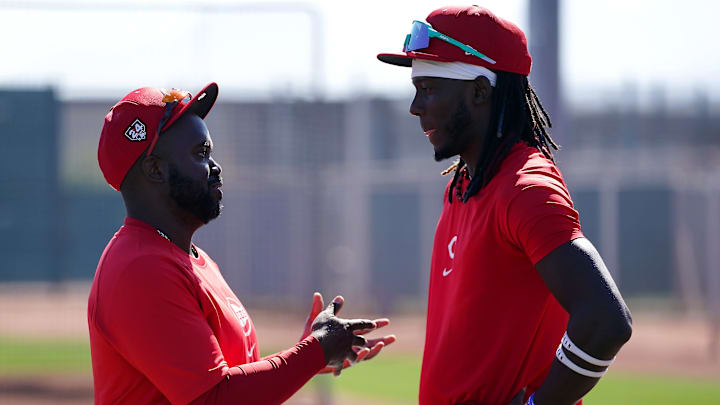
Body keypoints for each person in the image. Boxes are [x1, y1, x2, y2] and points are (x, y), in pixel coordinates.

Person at [377, 6, 632, 405]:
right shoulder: (465, 183)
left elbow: (606, 320)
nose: (415, 106)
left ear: (480, 91)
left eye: (428, 89)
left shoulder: (525, 187)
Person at [88, 83, 395, 405]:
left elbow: (227, 379)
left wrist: (309, 356)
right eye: (200, 154)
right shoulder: (142, 269)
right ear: (155, 170)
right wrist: (315, 350)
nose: (215, 168)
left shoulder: (186, 257)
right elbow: (215, 397)